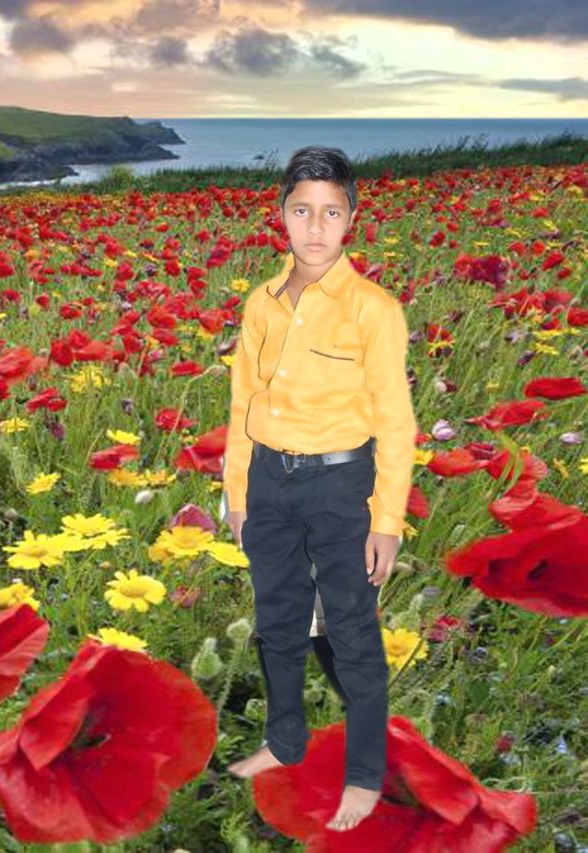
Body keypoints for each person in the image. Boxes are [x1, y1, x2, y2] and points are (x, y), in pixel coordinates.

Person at [221, 145, 417, 833]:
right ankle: (285, 740)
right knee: (278, 621)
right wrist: (238, 493)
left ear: (350, 220)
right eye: (302, 210)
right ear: (282, 215)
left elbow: (396, 420)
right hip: (268, 478)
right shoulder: (261, 304)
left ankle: (363, 776)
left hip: (339, 483)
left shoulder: (374, 310)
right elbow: (243, 402)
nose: (314, 226)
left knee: (352, 630)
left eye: (330, 213)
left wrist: (386, 520)